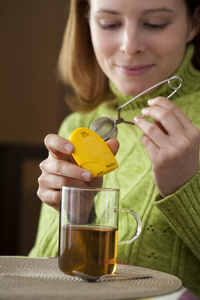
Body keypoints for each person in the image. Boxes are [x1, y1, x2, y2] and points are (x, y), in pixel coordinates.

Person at [29, 0, 200, 297]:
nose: (129, 46)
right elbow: (37, 280)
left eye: (155, 23)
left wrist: (187, 191)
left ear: (194, 24)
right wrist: (77, 214)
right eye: (109, 24)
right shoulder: (78, 125)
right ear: (87, 25)